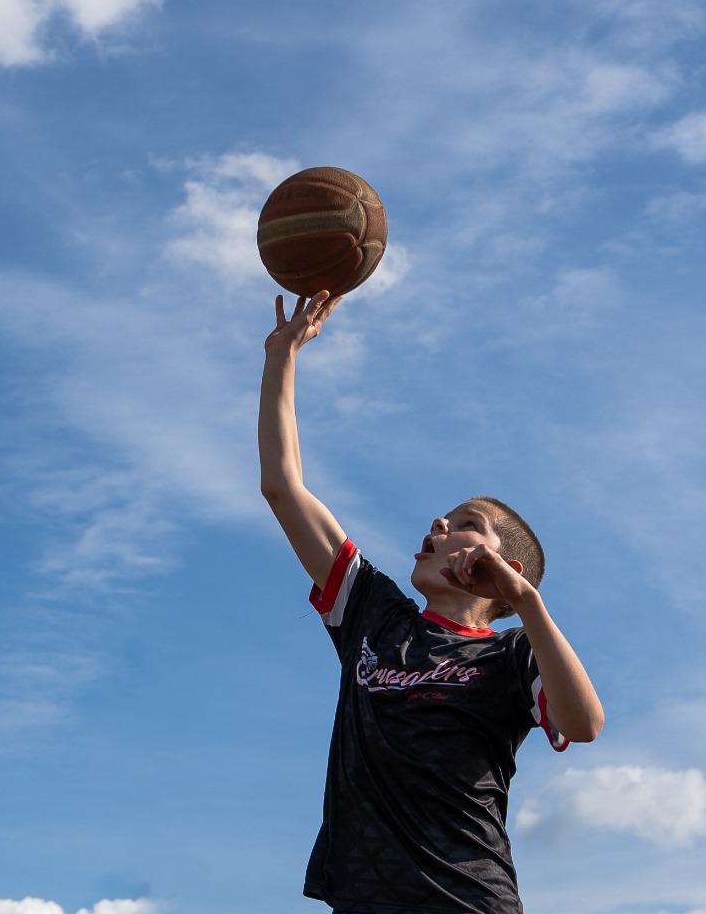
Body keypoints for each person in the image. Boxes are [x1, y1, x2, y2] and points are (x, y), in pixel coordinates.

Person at [258, 288, 604, 913]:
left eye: (465, 521)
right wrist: (282, 357)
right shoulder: (374, 612)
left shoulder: (512, 654)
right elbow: (283, 487)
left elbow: (582, 725)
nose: (439, 526)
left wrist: (528, 603)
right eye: (442, 519)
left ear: (508, 564)